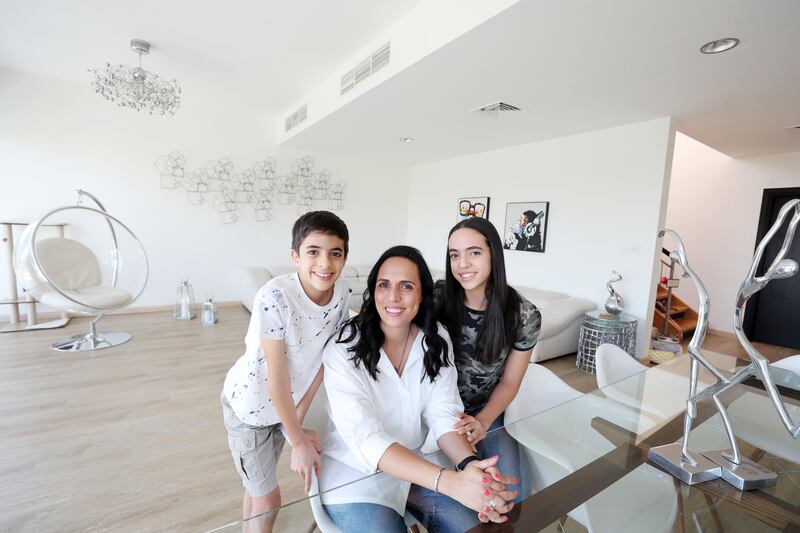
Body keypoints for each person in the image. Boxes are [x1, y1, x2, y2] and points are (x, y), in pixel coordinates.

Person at [320, 246, 518, 532]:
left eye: (406, 286)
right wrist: (449, 482)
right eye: (383, 285)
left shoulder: (434, 338)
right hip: (355, 476)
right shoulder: (344, 347)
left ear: (422, 294)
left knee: (476, 528)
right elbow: (366, 439)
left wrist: (470, 465)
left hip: (420, 467)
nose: (393, 296)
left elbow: (444, 414)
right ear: (373, 290)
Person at [220, 211, 352, 532]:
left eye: (335, 253)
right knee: (269, 500)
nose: (325, 263)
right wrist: (298, 440)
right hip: (250, 407)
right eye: (313, 252)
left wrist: (295, 424)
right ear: (295, 256)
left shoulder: (342, 292)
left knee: (257, 493)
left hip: (281, 408)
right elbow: (275, 376)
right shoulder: (274, 296)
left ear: (345, 258)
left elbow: (325, 359)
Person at [428, 217, 542, 516]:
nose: (462, 263)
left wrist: (483, 421)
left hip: (485, 411)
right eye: (454, 254)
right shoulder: (437, 298)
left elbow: (509, 383)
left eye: (474, 252)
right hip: (434, 411)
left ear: (494, 254)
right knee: (464, 507)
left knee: (511, 499)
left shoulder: (524, 315)